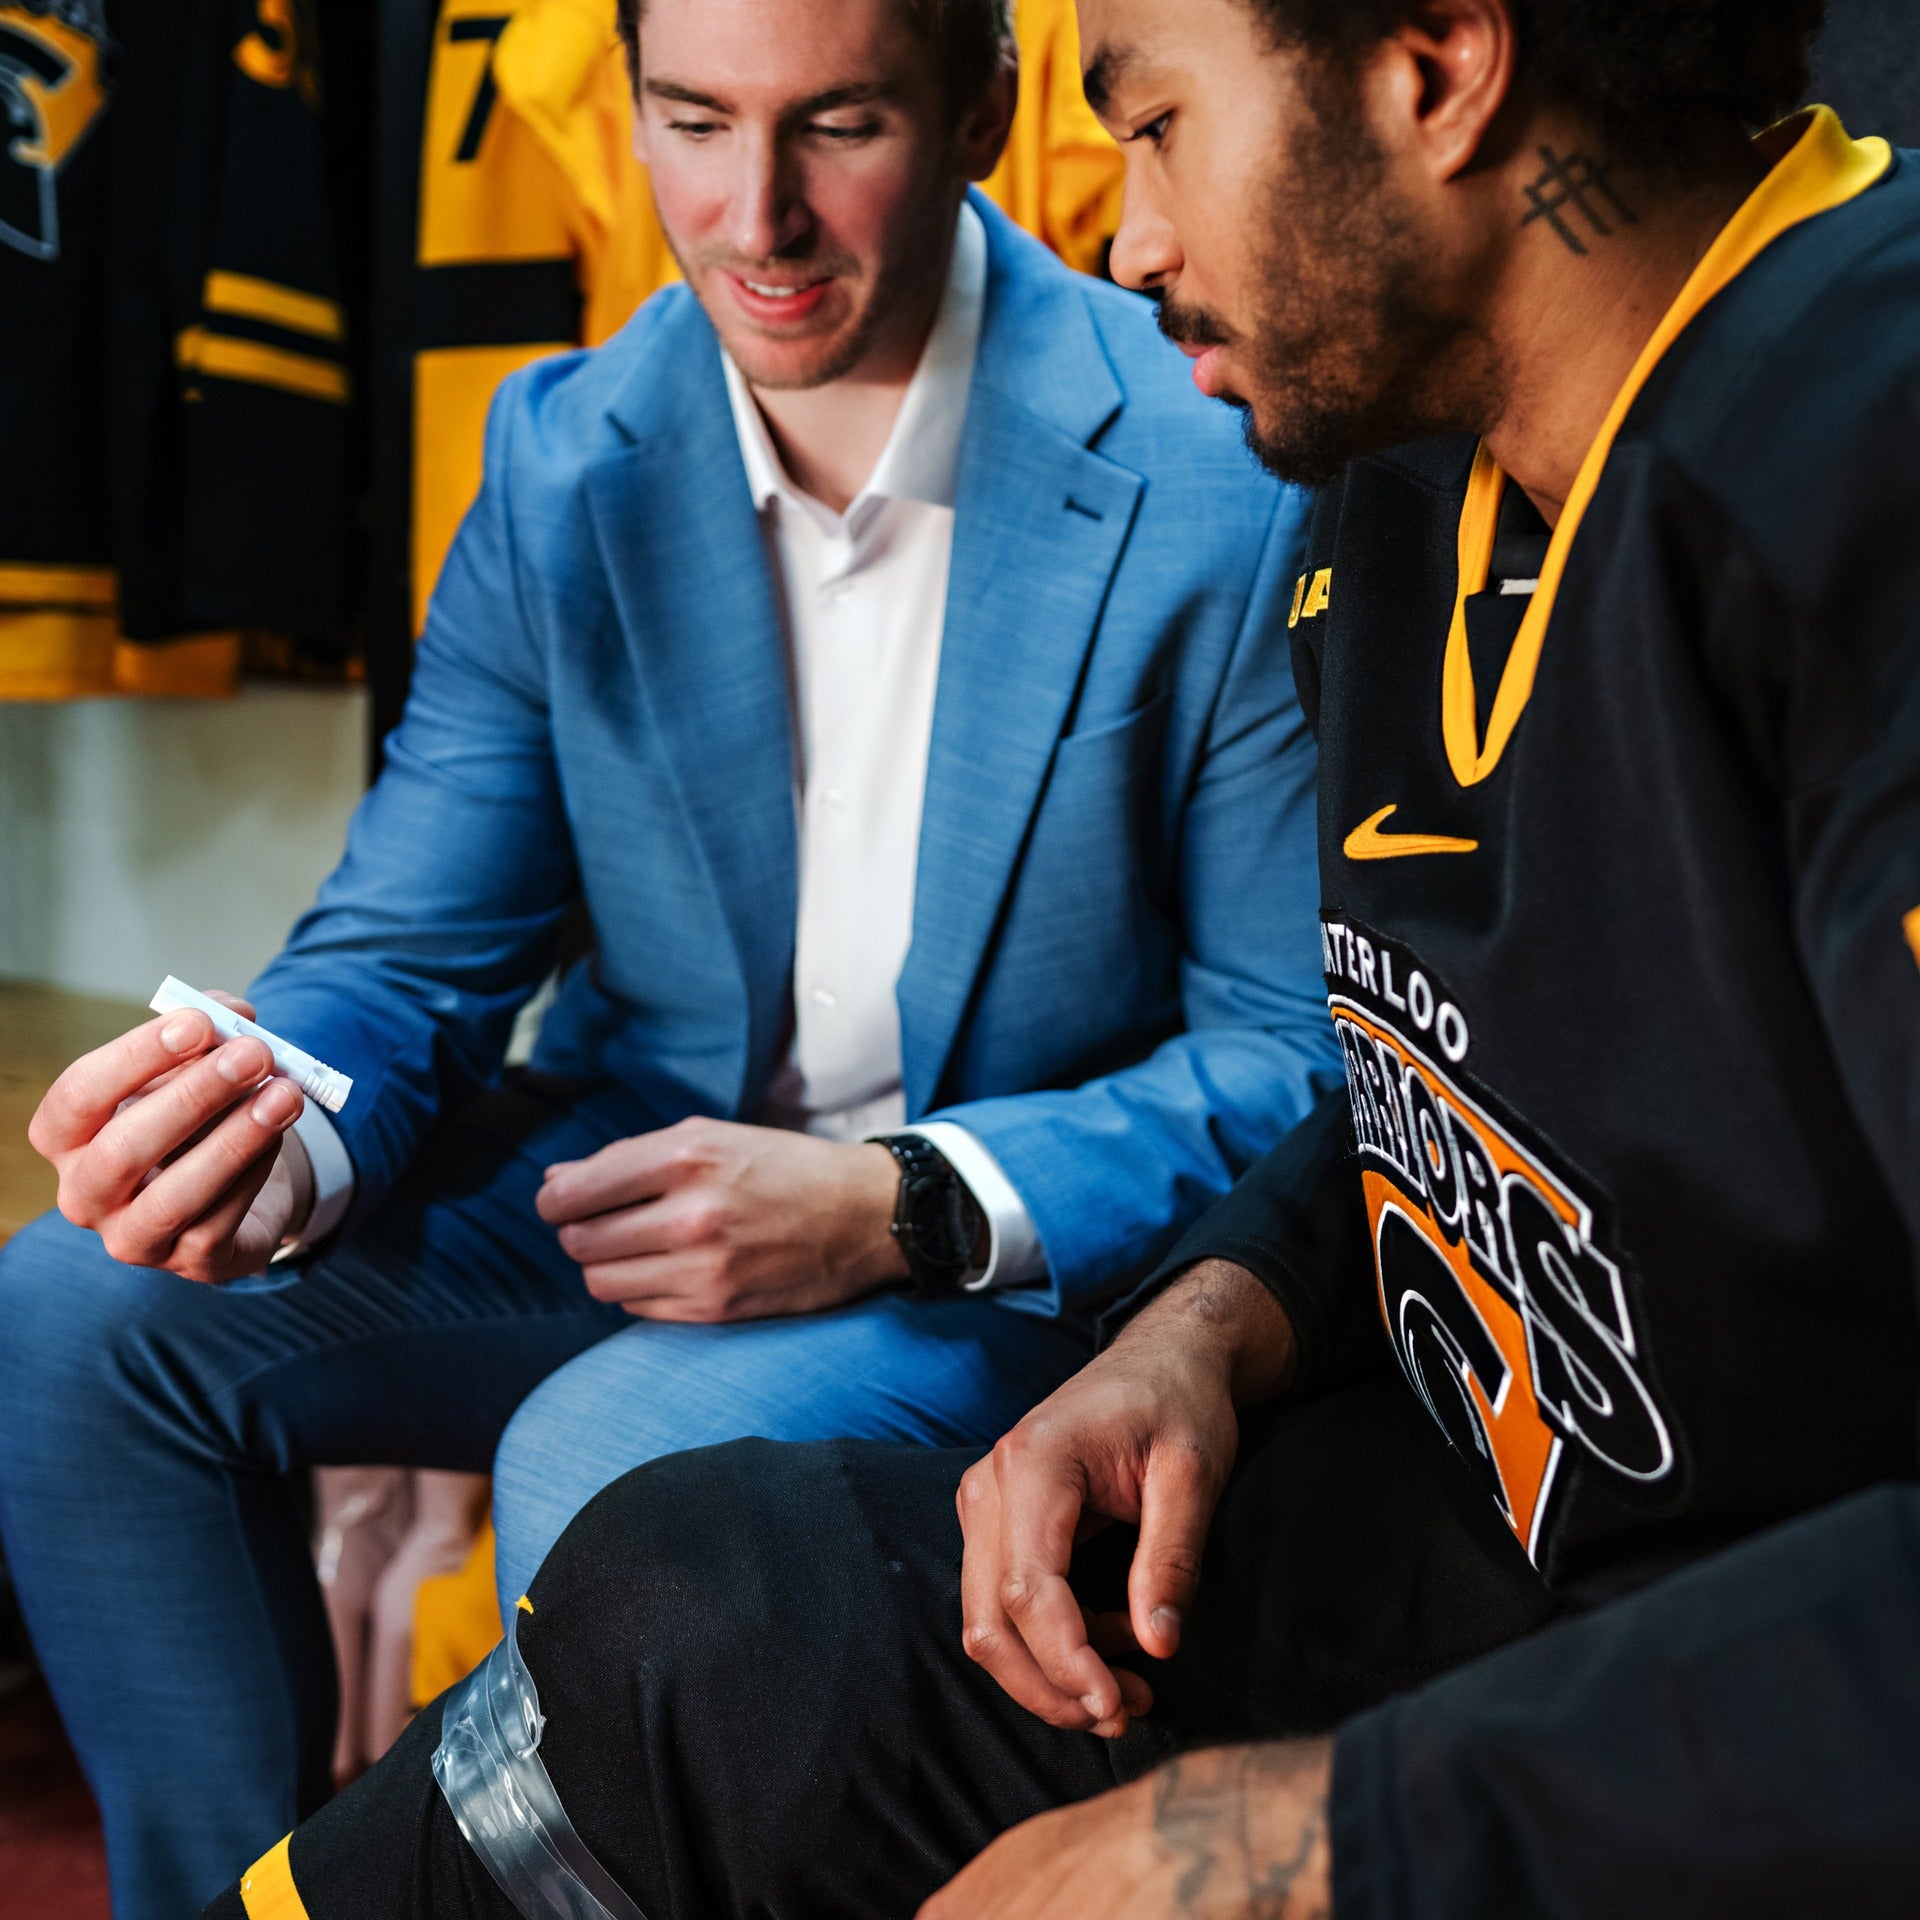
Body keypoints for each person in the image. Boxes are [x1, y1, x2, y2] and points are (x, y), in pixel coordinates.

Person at [189, 0, 1920, 1913]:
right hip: (1444, 1527)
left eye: (1159, 127)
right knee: (696, 1602)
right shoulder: (1421, 442)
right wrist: (1207, 1327)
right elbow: (1442, 1077)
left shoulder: (1863, 484)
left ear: (1437, 67)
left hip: (1723, 1689)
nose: (1131, 238)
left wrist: (1296, 1839)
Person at [0, 0, 1339, 1912]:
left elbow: (1297, 1053)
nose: (753, 216)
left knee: (615, 1459)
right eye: (693, 122)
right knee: (70, 1319)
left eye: (838, 126)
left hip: (1014, 1261)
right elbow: (406, 947)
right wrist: (265, 1121)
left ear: (981, 105)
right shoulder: (562, 450)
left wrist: (905, 1202)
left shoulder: (1222, 462)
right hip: (628, 1185)